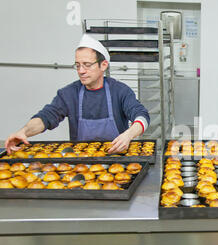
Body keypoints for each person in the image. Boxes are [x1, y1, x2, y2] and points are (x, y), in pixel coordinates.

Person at [5, 34, 150, 155]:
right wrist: (24, 131)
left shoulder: (120, 91)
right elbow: (46, 117)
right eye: (78, 65)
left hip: (118, 160)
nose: (81, 71)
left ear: (103, 65)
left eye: (87, 65)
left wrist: (129, 135)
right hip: (81, 162)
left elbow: (142, 116)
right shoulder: (69, 93)